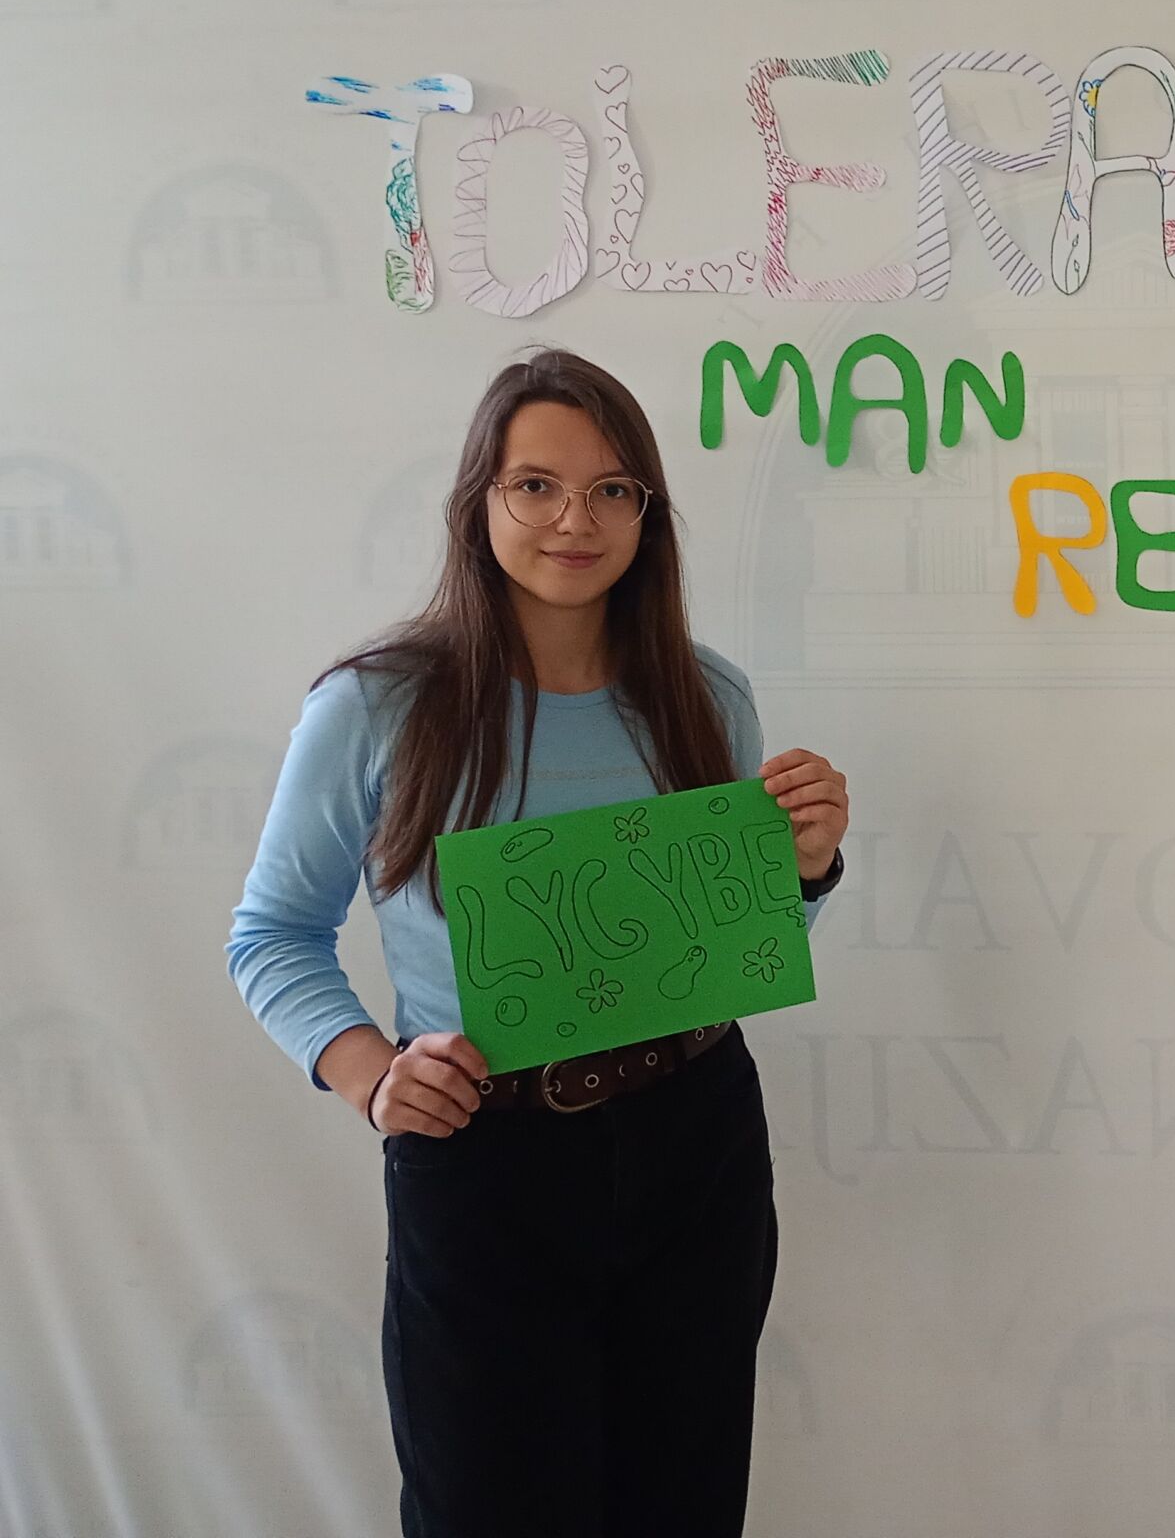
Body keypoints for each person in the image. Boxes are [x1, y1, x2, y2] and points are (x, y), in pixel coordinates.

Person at [225, 347, 849, 1538]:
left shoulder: (706, 696)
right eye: (537, 485)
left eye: (613, 489)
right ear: (479, 502)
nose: (577, 518)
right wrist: (371, 1076)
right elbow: (273, 931)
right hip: (485, 1156)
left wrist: (807, 867)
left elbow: (738, 940)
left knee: (682, 1502)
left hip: (696, 1139)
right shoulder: (376, 704)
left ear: (648, 515)